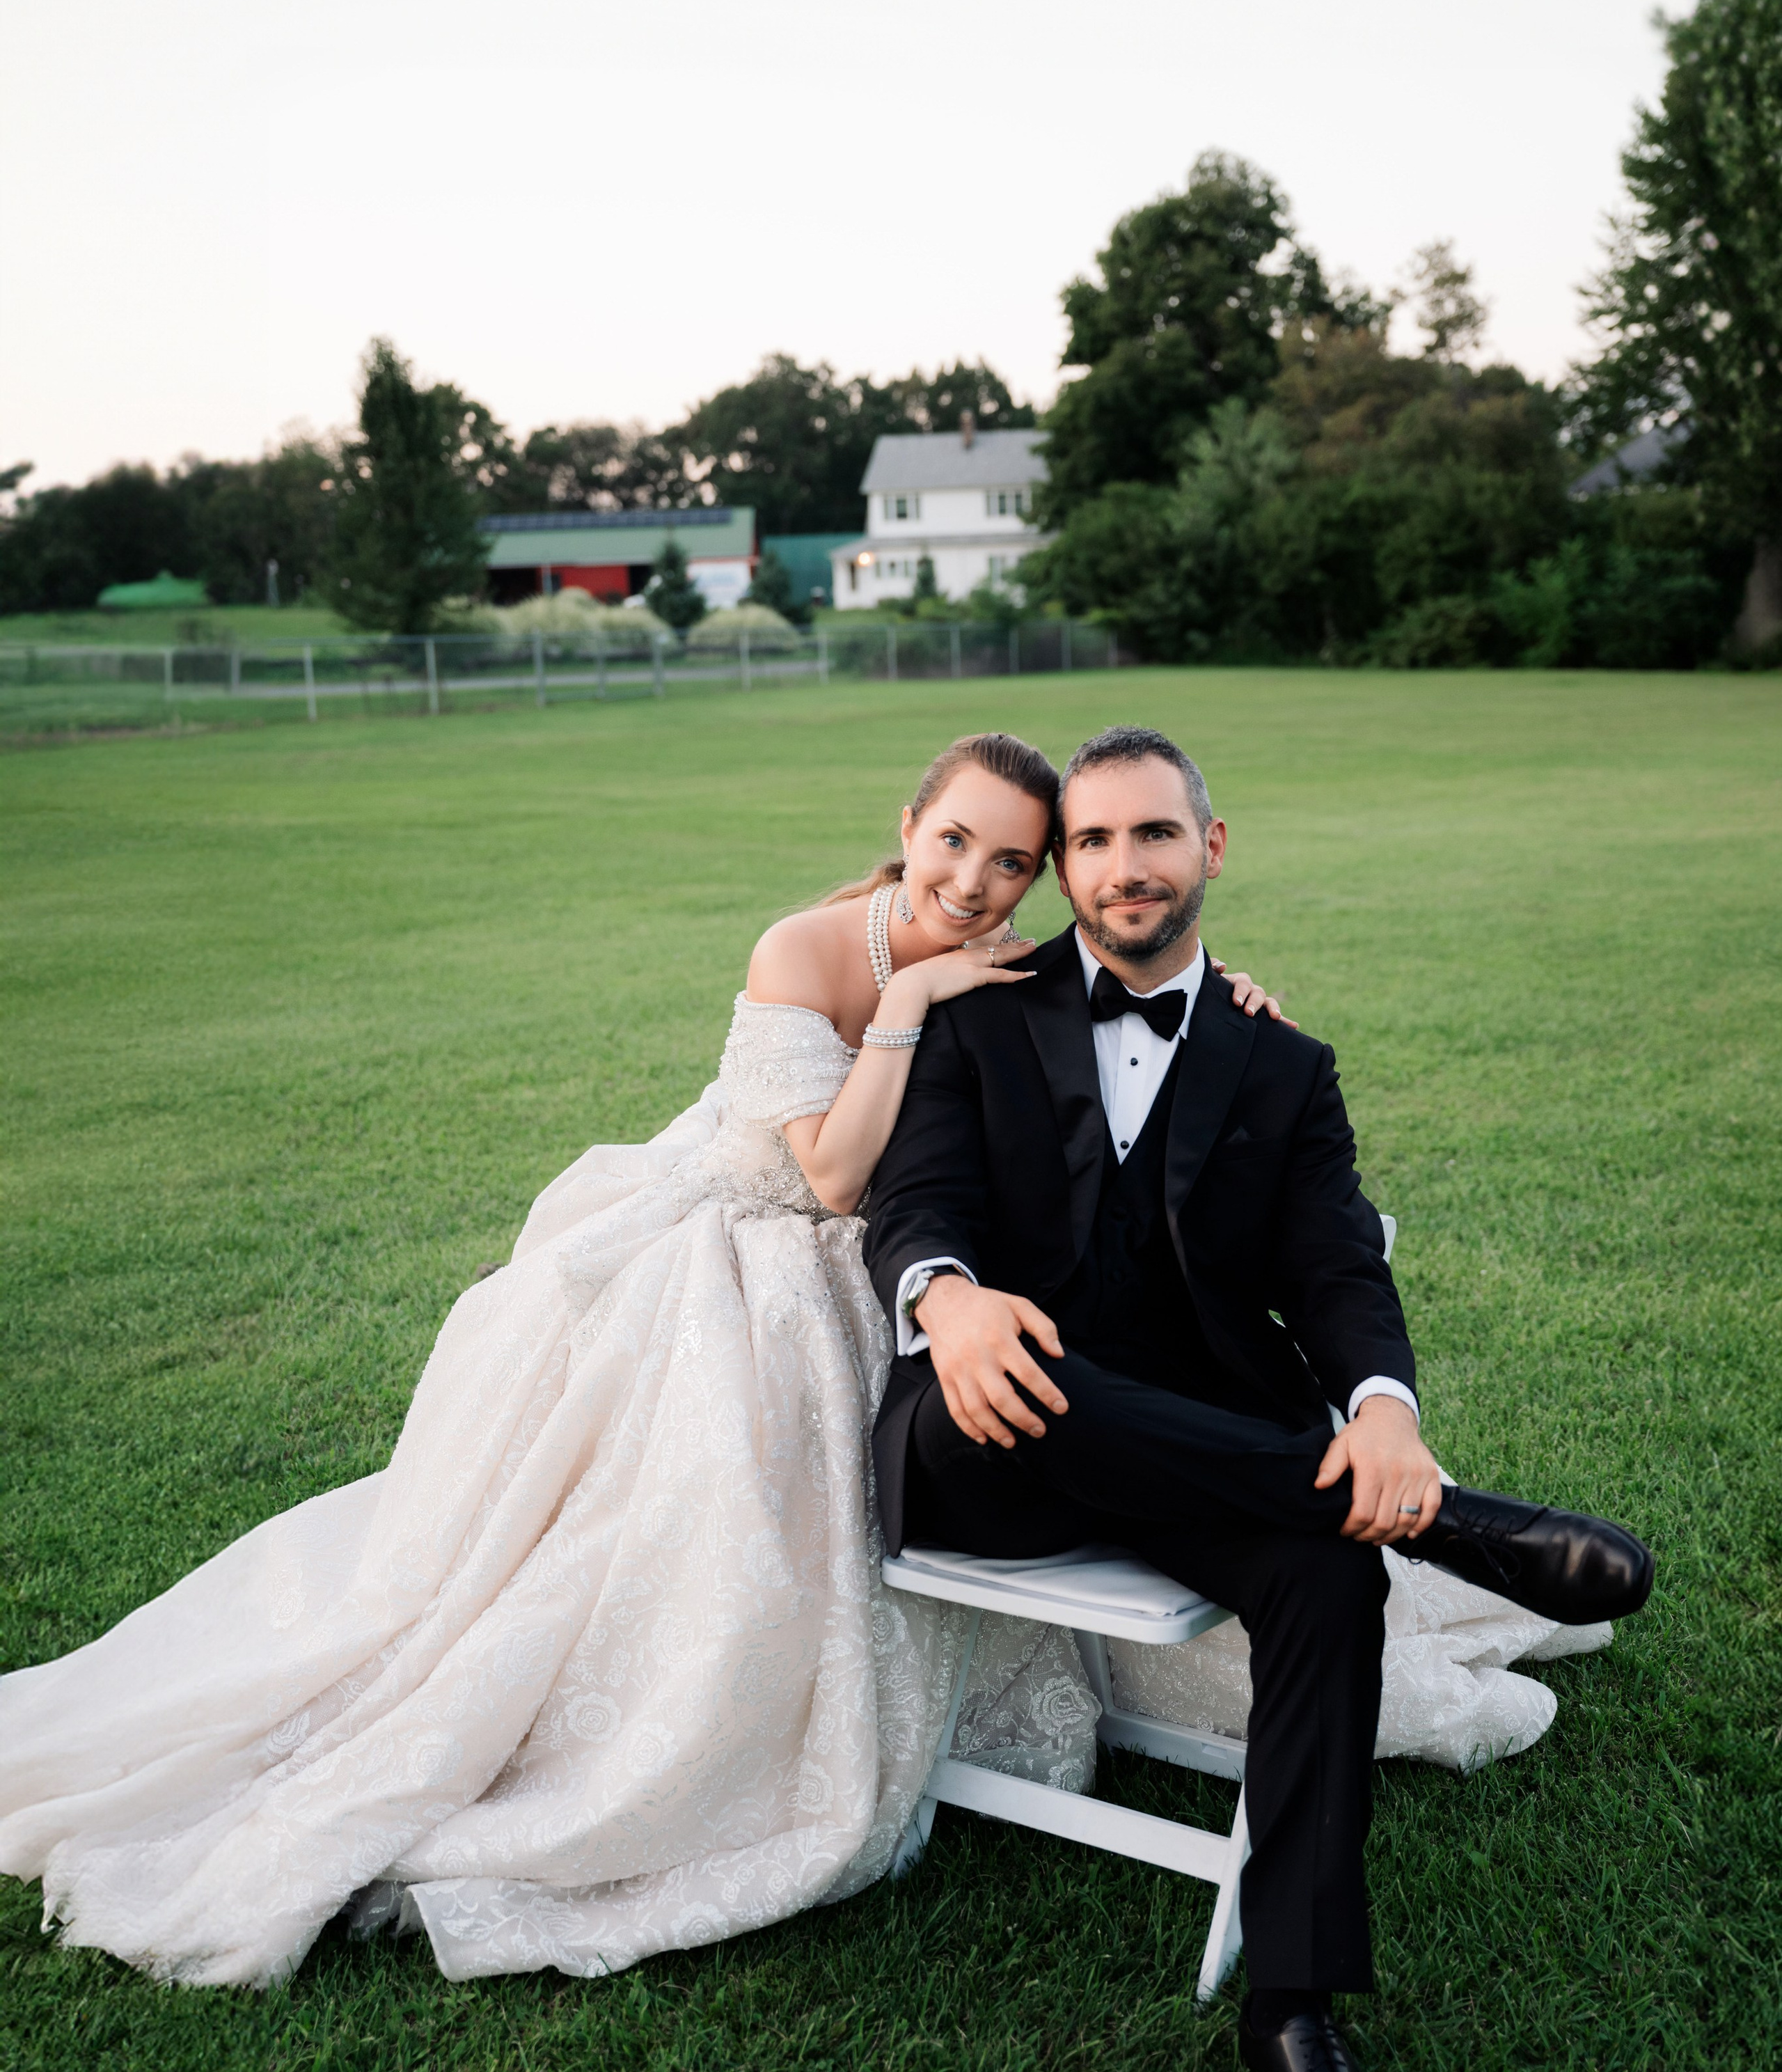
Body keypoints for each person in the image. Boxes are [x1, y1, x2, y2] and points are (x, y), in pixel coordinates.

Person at [0, 731, 1277, 1989]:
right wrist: (908, 1000)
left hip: (892, 1264)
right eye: (953, 842)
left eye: (1009, 862)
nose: (971, 883)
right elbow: (830, 1177)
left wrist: (1236, 1001)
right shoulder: (809, 948)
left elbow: (1132, 996)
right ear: (907, 829)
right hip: (742, 1245)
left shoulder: (1013, 959)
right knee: (689, 1494)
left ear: (1041, 876)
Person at [866, 723, 1654, 2072]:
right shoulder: (974, 1011)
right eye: (1088, 842)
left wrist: (1385, 1408)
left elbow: (1333, 1265)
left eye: (1149, 834)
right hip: (978, 1440)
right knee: (1054, 1384)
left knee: (1322, 1565)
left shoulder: (1279, 1062)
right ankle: (1465, 1532)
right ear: (1065, 869)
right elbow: (909, 1201)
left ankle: (1291, 2014)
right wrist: (947, 1298)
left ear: (1207, 848)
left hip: (1194, 1468)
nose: (1118, 867)